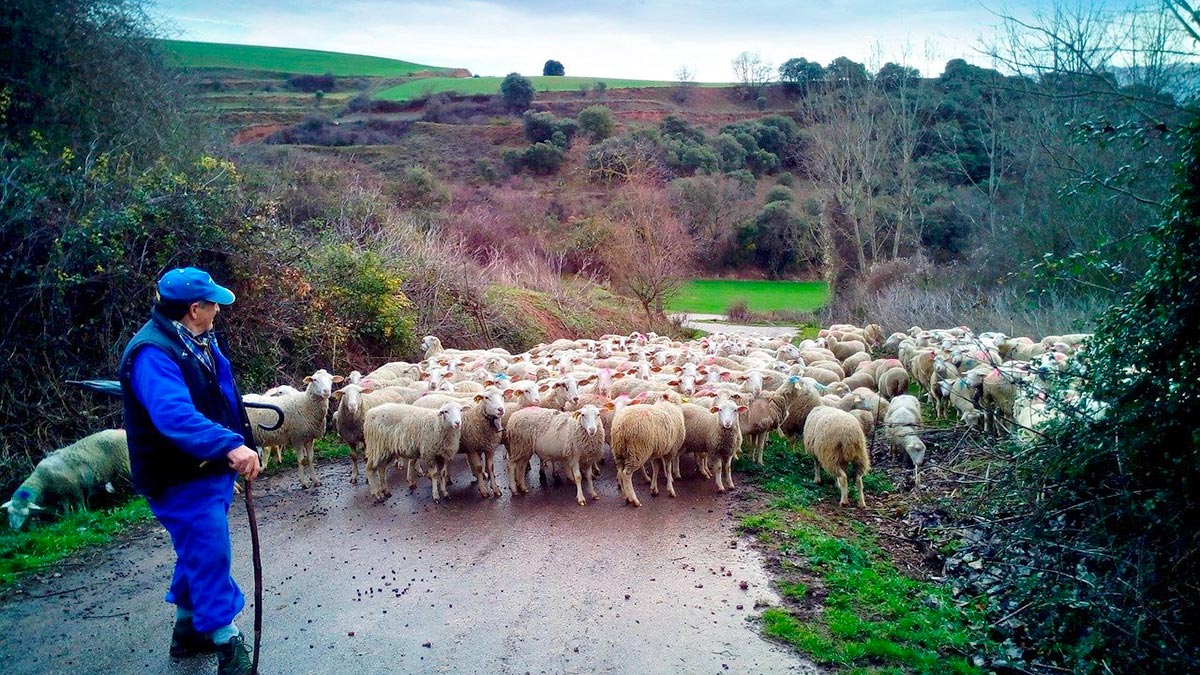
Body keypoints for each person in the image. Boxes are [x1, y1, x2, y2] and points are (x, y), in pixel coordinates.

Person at [119, 267, 261, 675]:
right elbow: (174, 416)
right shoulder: (153, 353)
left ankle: (187, 630)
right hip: (179, 475)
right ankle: (225, 641)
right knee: (210, 552)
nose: (219, 309)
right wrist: (228, 444)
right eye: (213, 303)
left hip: (207, 470)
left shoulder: (193, 339)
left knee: (197, 549)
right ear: (195, 308)